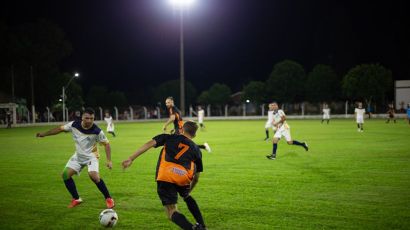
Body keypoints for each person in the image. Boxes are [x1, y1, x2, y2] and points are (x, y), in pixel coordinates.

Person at [122, 121, 207, 230]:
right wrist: (187, 191)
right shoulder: (196, 150)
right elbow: (196, 178)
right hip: (183, 177)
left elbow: (149, 144)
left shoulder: (168, 137)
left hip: (166, 175)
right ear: (194, 135)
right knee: (186, 196)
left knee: (171, 211)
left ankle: (192, 228)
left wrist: (131, 158)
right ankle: (202, 226)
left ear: (181, 130)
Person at [36, 108, 115, 208]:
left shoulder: (97, 131)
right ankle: (76, 199)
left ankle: (109, 198)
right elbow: (59, 129)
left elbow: (107, 144)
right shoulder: (74, 125)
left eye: (92, 118)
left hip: (91, 156)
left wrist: (109, 160)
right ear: (82, 117)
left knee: (94, 176)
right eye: (87, 118)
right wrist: (44, 134)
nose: (90, 121)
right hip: (78, 156)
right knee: (65, 175)